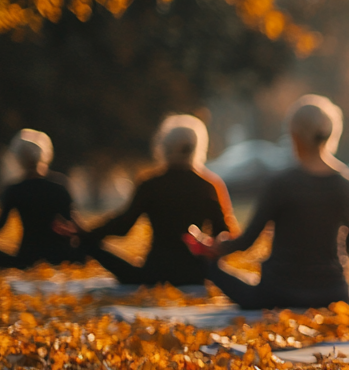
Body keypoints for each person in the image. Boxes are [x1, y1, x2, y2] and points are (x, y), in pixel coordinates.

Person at [194, 96, 349, 310]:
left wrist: (214, 248)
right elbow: (348, 250)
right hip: (333, 294)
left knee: (209, 268)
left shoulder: (280, 184)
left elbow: (247, 241)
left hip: (279, 294)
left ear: (293, 135)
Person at [67, 116, 238, 287]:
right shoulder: (208, 186)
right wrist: (207, 244)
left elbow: (123, 225)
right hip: (195, 273)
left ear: (163, 148)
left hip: (155, 272)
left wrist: (87, 235)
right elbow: (224, 233)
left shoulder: (150, 184)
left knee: (90, 246)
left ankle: (80, 245)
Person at [0, 130, 84, 269]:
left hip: (28, 257)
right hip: (62, 256)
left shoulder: (15, 190)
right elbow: (73, 223)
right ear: (44, 155)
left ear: (19, 159)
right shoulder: (60, 184)